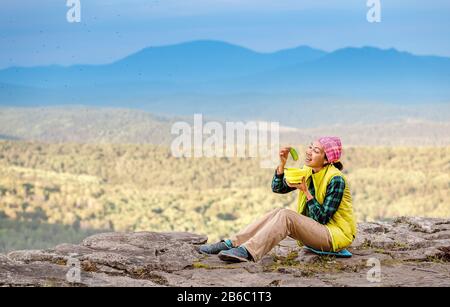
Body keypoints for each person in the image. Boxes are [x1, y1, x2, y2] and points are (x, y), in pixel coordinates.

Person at [199, 136, 357, 263]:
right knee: (279, 211)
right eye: (310, 147)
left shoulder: (336, 180)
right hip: (317, 232)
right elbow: (278, 188)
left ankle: (248, 252)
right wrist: (282, 164)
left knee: (287, 216)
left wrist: (306, 192)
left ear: (326, 159)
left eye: (316, 151)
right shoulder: (307, 171)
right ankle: (231, 243)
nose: (309, 152)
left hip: (335, 237)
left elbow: (321, 218)